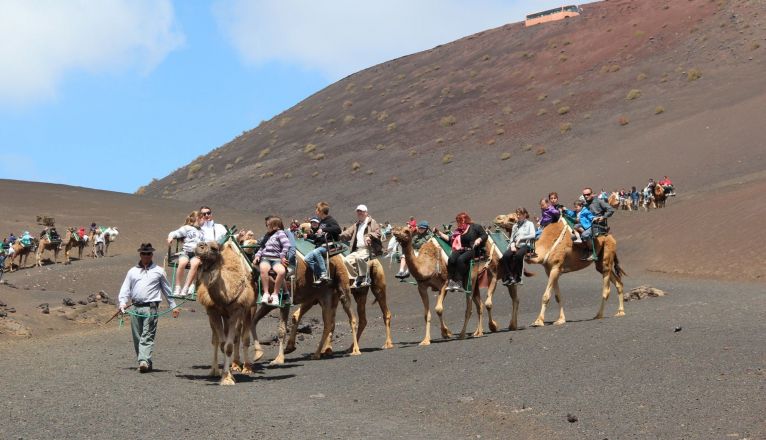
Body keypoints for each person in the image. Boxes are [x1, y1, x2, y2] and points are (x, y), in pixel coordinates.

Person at [117, 243, 180, 373]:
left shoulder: (159, 271)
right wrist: (122, 303)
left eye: (148, 253)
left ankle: (143, 361)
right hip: (135, 307)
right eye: (143, 253)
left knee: (147, 334)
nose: (146, 256)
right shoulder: (132, 271)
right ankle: (146, 361)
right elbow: (125, 289)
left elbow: (167, 289)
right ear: (140, 254)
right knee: (137, 336)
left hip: (151, 308)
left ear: (152, 255)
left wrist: (173, 305)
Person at [433, 212, 487, 292]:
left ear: (465, 220)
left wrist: (479, 239)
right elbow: (450, 239)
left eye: (460, 221)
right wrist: (438, 232)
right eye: (458, 222)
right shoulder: (458, 231)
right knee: (451, 259)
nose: (458, 224)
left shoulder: (476, 227)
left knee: (460, 259)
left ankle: (459, 282)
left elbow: (484, 235)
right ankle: (451, 281)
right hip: (461, 249)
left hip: (472, 250)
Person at [340, 204, 382, 288]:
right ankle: (356, 277)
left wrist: (369, 236)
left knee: (359, 259)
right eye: (358, 212)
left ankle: (366, 277)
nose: (359, 213)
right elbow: (347, 233)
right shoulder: (356, 225)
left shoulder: (371, 222)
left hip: (367, 249)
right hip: (358, 250)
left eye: (361, 211)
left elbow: (378, 233)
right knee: (345, 261)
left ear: (366, 213)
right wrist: (338, 235)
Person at [253, 217, 290, 306]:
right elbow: (262, 248)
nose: (267, 227)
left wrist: (282, 256)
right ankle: (266, 293)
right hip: (265, 258)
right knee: (263, 269)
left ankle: (275, 294)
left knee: (281, 272)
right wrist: (257, 256)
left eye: (269, 225)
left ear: (275, 226)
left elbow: (286, 244)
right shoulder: (267, 235)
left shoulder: (280, 233)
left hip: (276, 259)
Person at [166, 211, 203, 297]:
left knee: (195, 264)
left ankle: (186, 287)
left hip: (196, 254)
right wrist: (170, 237)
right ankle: (178, 286)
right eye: (202, 219)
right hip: (186, 251)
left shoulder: (202, 231)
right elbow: (175, 233)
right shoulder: (187, 228)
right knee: (182, 262)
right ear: (197, 219)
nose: (204, 221)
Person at [303, 202, 342, 284]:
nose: (315, 211)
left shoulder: (330, 220)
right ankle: (320, 274)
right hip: (321, 246)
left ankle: (324, 274)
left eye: (317, 209)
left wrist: (324, 230)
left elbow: (338, 229)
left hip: (329, 246)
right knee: (307, 258)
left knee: (316, 252)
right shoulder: (321, 222)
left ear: (321, 211)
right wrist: (308, 236)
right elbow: (317, 236)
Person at [500, 208, 535, 285]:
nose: (518, 216)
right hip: (515, 245)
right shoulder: (515, 226)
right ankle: (509, 276)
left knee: (518, 255)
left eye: (520, 214)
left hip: (525, 244)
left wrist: (521, 238)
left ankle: (518, 277)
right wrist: (512, 245)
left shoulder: (530, 224)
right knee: (505, 256)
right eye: (517, 214)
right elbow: (512, 238)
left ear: (525, 215)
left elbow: (533, 234)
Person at [582, 187, 614, 260]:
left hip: (598, 225)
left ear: (592, 194)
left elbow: (610, 210)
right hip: (588, 224)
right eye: (584, 195)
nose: (586, 196)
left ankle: (592, 252)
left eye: (588, 194)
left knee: (585, 234)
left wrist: (603, 217)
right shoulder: (585, 204)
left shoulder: (599, 201)